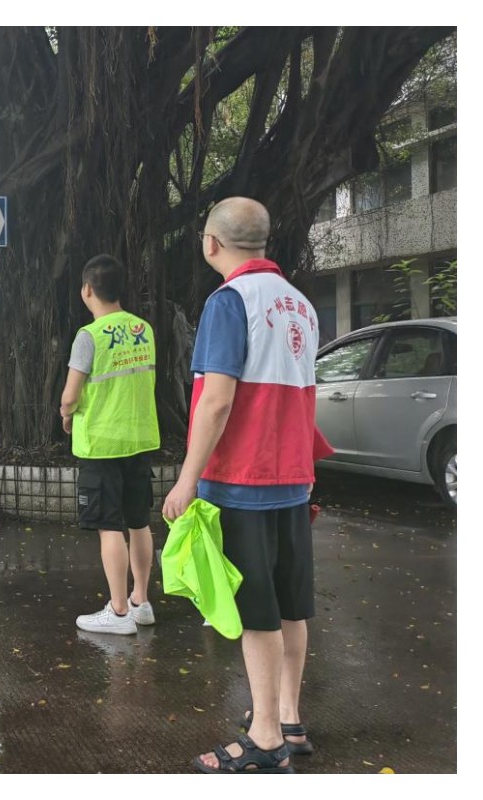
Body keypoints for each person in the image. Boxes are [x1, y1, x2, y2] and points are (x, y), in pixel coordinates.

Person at [165, 198, 330, 774]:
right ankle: (289, 719)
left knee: (256, 609)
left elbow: (216, 400)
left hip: (242, 480)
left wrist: (186, 480)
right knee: (290, 604)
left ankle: (264, 740)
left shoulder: (229, 301)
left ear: (211, 243)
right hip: (293, 478)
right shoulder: (300, 304)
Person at [63, 255, 162, 636]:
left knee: (109, 528)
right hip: (139, 440)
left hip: (102, 445)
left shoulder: (89, 336)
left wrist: (66, 414)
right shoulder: (143, 329)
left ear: (87, 289)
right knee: (139, 523)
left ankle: (119, 613)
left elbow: (71, 395)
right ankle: (141, 602)